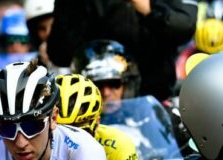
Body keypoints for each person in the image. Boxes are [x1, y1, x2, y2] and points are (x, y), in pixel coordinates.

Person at [47, 0, 198, 101]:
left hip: (154, 97)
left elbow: (185, 26)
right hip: (100, 99)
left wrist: (149, 10)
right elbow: (60, 52)